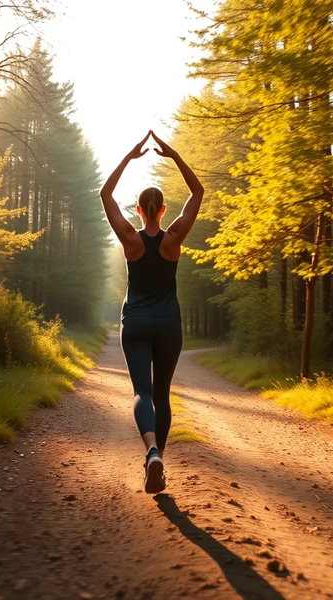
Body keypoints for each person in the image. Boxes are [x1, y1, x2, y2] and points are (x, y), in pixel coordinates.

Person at [99, 130, 204, 494]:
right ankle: (155, 463)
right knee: (162, 394)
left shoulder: (131, 239)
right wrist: (174, 156)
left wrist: (128, 158)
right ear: (162, 210)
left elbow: (105, 195)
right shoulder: (173, 239)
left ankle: (152, 452)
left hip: (136, 323)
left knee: (142, 392)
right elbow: (197, 193)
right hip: (168, 324)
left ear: (139, 211)